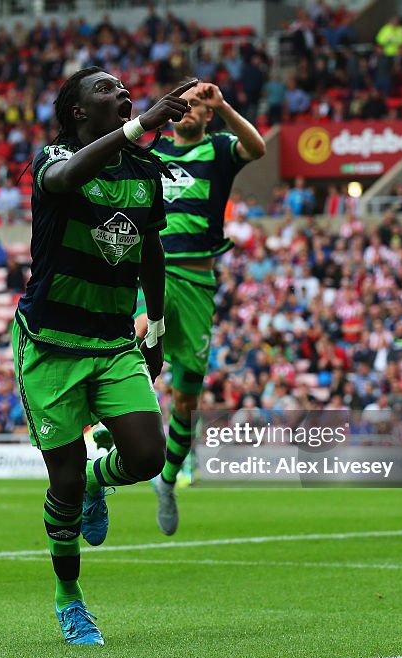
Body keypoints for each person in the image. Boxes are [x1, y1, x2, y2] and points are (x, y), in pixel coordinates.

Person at [13, 68, 196, 645]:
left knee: (146, 457)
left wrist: (158, 329)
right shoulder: (53, 158)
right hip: (51, 342)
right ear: (77, 112)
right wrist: (141, 124)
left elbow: (150, 251)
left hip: (115, 339)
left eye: (125, 88)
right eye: (105, 88)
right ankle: (70, 599)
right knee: (60, 485)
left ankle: (101, 478)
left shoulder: (145, 170)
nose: (122, 92)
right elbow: (69, 177)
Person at [139, 81, 266, 535]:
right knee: (131, 338)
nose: (190, 110)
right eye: (184, 104)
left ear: (207, 114)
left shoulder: (220, 149)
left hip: (196, 282)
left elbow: (258, 147)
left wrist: (224, 104)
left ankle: (168, 481)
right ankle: (99, 466)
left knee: (188, 397)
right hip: (150, 272)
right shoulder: (151, 155)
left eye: (198, 105)